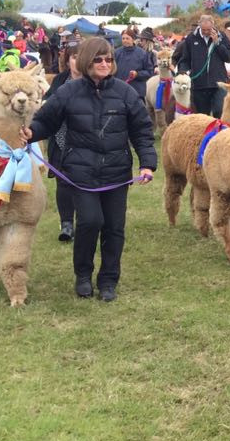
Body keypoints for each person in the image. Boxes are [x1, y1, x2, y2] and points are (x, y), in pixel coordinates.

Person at [24, 37, 156, 301]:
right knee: (90, 222)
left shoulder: (125, 93)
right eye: (98, 59)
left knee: (114, 228)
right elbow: (45, 122)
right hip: (80, 173)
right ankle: (83, 275)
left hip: (116, 173)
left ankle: (108, 280)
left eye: (108, 59)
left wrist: (147, 163)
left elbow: (141, 130)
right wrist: (29, 133)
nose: (104, 64)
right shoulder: (68, 92)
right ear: (86, 61)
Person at [45, 45, 80, 242]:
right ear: (67, 61)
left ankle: (85, 220)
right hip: (61, 140)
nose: (77, 61)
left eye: (81, 57)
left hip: (87, 142)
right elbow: (48, 103)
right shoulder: (59, 81)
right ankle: (66, 223)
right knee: (63, 182)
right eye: (73, 57)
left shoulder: (96, 82)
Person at [172, 13, 230, 118]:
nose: (206, 32)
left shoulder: (221, 36)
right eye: (203, 30)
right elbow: (185, 59)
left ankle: (219, 133)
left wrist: (217, 43)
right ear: (199, 25)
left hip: (218, 83)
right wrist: (183, 71)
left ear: (213, 26)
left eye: (208, 30)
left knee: (219, 110)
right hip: (199, 85)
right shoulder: (191, 38)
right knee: (202, 116)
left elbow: (228, 57)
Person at [113, 28, 157, 103]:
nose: (125, 40)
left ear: (133, 39)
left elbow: (150, 72)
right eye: (123, 38)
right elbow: (111, 71)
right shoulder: (116, 53)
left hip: (137, 92)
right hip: (119, 92)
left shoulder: (142, 54)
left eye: (127, 38)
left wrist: (137, 74)